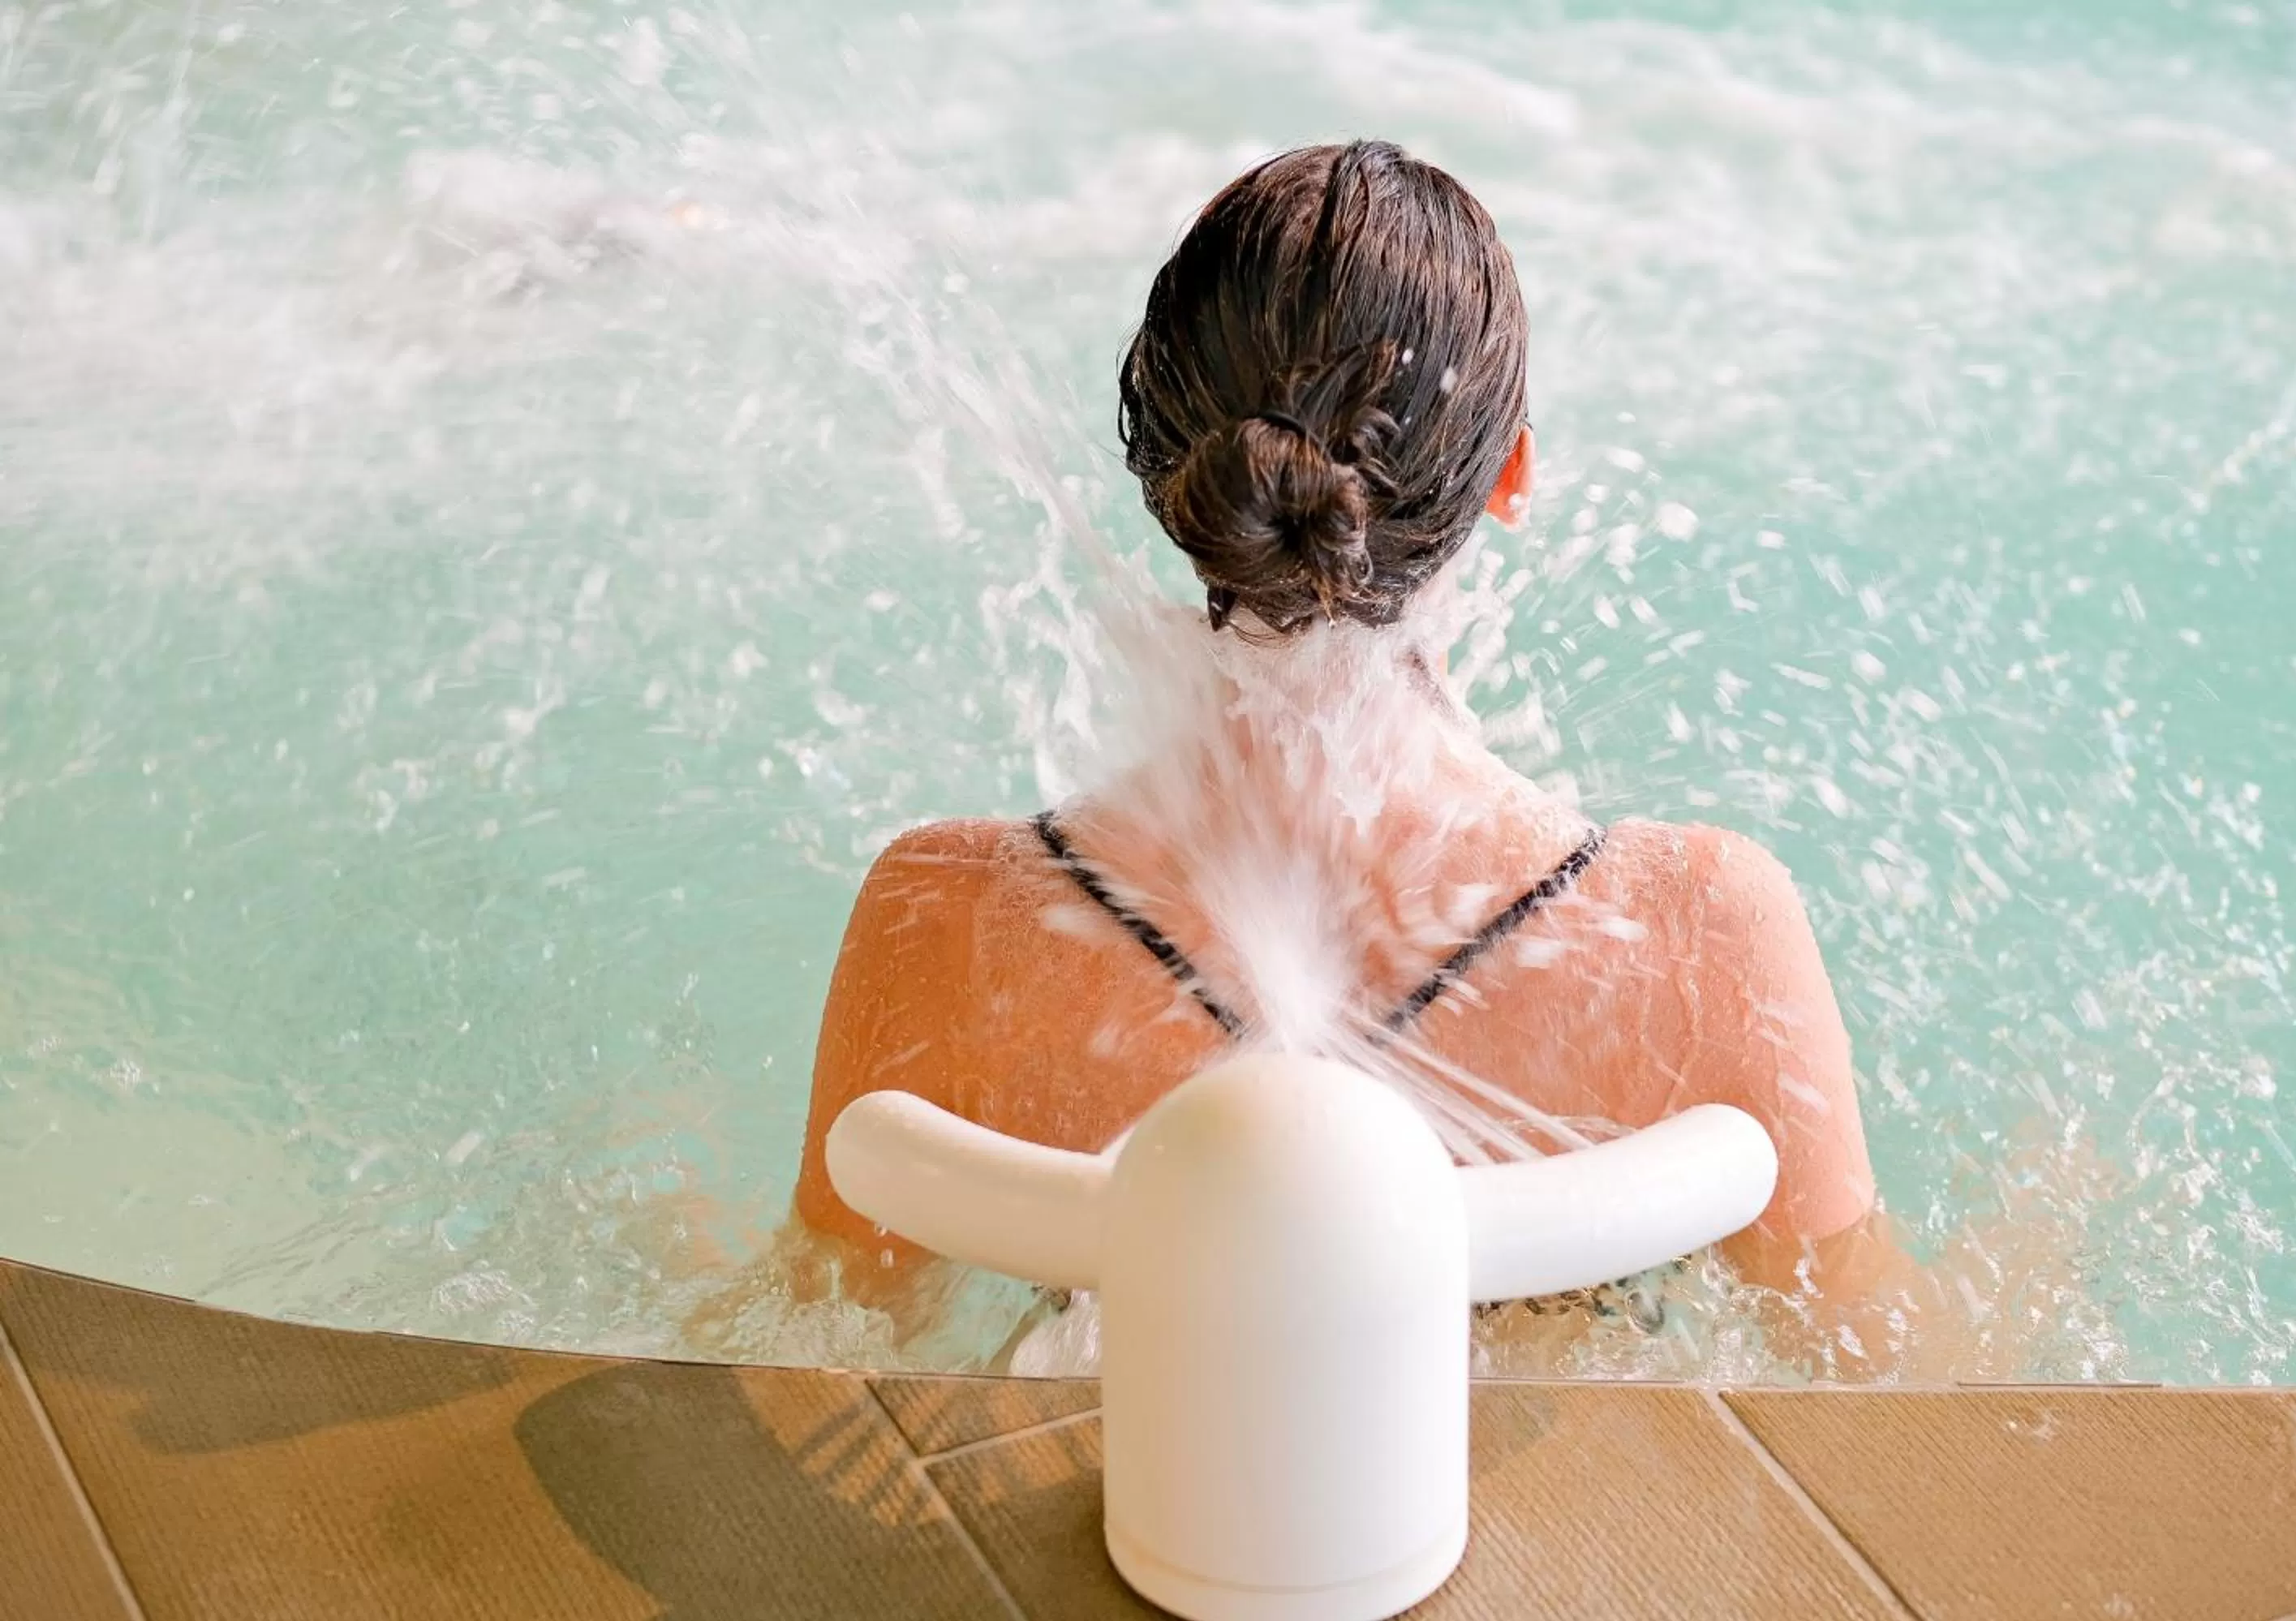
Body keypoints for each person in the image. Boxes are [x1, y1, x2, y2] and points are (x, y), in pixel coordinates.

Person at [779, 140, 1919, 1373]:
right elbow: (1877, 1372)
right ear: (1513, 476)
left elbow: (802, 1345)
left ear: (1170, 477)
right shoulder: (1699, 931)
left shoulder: (947, 918)